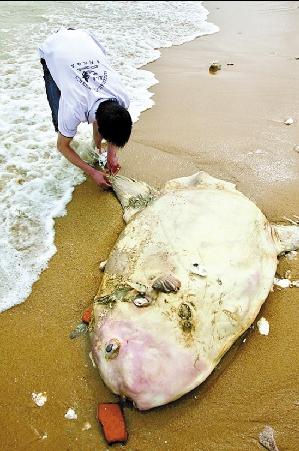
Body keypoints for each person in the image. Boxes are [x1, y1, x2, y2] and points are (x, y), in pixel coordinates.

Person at [39, 28, 132, 188]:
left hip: (84, 39)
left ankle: (96, 149)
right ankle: (65, 134)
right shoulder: (73, 107)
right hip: (54, 48)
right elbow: (62, 146)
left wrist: (112, 155)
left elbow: (108, 123)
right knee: (59, 119)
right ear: (98, 123)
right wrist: (92, 172)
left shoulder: (122, 98)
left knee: (105, 121)